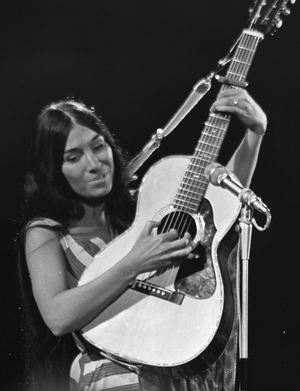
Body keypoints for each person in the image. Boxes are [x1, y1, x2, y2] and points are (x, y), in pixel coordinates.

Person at [17, 87, 267, 391]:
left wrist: (255, 133)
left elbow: (221, 208)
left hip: (179, 365)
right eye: (74, 157)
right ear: (55, 171)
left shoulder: (144, 207)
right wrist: (136, 261)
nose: (94, 163)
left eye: (98, 147)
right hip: (113, 374)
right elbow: (57, 317)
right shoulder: (47, 231)